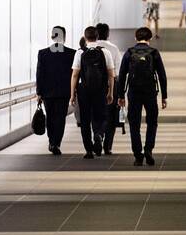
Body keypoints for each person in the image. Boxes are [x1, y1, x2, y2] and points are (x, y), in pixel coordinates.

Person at [116, 27, 168, 166]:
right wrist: (164, 96)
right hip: (150, 92)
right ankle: (149, 150)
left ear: (135, 38)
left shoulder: (129, 52)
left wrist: (120, 96)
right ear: (150, 38)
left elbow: (122, 76)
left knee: (134, 124)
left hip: (133, 92)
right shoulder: (154, 52)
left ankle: (138, 155)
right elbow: (162, 76)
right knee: (152, 122)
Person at [69, 26, 117, 158]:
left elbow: (74, 75)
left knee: (85, 119)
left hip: (84, 90)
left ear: (85, 37)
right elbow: (111, 75)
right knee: (100, 116)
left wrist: (72, 94)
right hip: (100, 89)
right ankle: (99, 134)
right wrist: (111, 92)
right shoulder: (105, 52)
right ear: (97, 37)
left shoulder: (80, 52)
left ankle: (89, 150)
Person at [35, 25, 75, 155]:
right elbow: (74, 74)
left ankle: (52, 141)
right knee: (60, 117)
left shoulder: (43, 53)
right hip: (64, 92)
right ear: (64, 36)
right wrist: (74, 92)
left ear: (52, 36)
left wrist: (39, 92)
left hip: (47, 92)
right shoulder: (71, 53)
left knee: (50, 117)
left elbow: (40, 74)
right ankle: (56, 143)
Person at [95, 23, 124, 155]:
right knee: (111, 116)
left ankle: (98, 133)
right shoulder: (113, 49)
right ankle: (107, 146)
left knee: (96, 113)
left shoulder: (90, 48)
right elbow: (117, 72)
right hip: (111, 85)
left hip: (93, 87)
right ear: (108, 34)